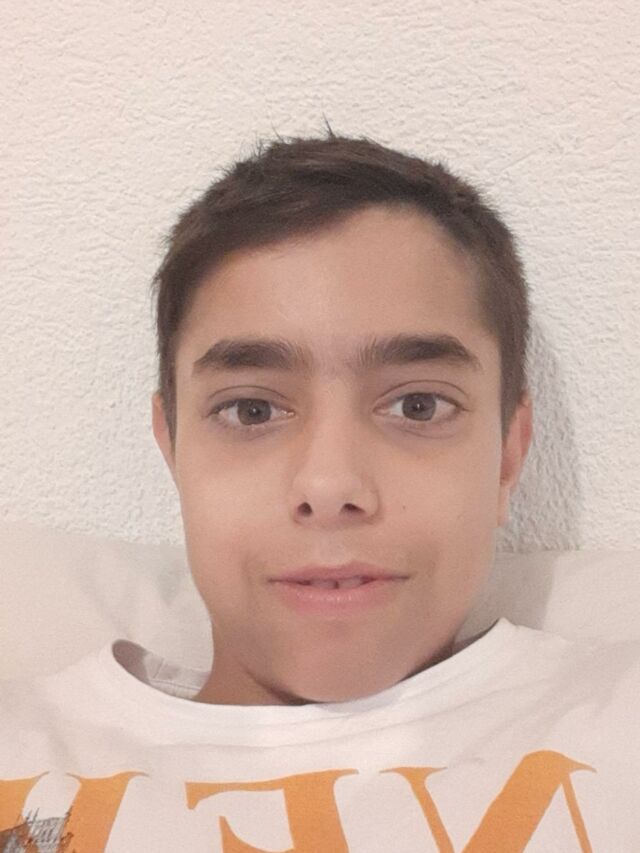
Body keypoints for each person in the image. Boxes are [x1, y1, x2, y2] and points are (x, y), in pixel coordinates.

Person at [0, 131, 637, 851]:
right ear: (173, 450)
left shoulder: (621, 726)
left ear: (507, 458)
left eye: (418, 405)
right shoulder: (23, 748)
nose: (330, 486)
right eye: (251, 410)